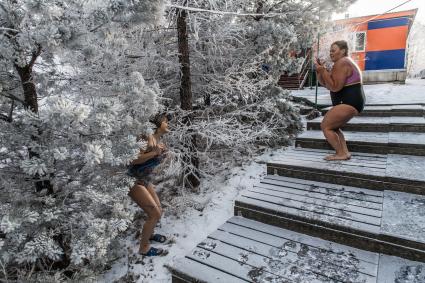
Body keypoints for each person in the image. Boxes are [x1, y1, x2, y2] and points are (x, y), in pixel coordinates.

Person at [314, 40, 365, 161]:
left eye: (333, 50)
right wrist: (320, 72)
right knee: (334, 127)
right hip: (351, 102)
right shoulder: (342, 62)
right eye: (330, 51)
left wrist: (323, 71)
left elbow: (335, 87)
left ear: (342, 51)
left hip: (348, 102)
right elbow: (327, 84)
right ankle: (344, 153)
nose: (331, 53)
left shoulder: (342, 63)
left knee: (326, 126)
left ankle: (340, 153)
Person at [128, 113, 170, 256]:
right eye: (165, 121)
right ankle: (144, 248)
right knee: (154, 214)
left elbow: (151, 162)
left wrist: (162, 154)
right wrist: (154, 154)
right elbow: (132, 160)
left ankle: (149, 235)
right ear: (158, 125)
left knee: (158, 211)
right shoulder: (146, 139)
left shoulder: (158, 141)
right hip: (132, 181)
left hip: (145, 180)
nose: (168, 123)